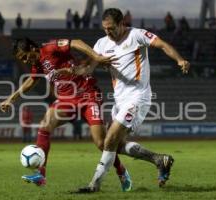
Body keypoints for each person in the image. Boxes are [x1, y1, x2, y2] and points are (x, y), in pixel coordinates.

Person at [77, 8, 190, 193]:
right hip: (119, 101)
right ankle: (158, 160)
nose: (108, 32)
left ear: (122, 24)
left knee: (111, 139)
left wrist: (179, 60)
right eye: (105, 28)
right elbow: (89, 68)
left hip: (138, 97)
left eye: (111, 28)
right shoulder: (101, 44)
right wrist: (69, 73)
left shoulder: (136, 35)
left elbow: (162, 44)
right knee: (109, 144)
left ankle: (94, 185)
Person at [0, 37, 133, 190]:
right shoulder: (37, 64)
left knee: (101, 143)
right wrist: (11, 98)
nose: (25, 60)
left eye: (24, 56)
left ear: (32, 48)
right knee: (44, 126)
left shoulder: (50, 48)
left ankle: (121, 171)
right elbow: (31, 80)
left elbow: (76, 42)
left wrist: (96, 57)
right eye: (21, 59)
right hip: (66, 100)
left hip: (87, 95)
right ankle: (40, 175)